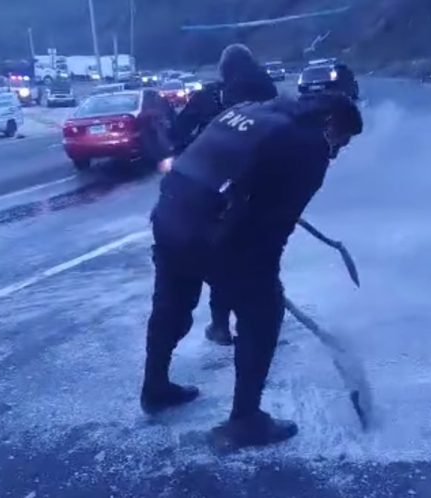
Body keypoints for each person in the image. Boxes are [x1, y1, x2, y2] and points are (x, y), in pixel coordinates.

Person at [140, 90, 364, 450]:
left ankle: (155, 389)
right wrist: (263, 277)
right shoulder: (309, 146)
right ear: (331, 123)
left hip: (170, 214)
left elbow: (226, 166)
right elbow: (276, 225)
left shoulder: (246, 110)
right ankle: (245, 421)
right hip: (209, 226)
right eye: (342, 140)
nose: (337, 150)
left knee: (171, 305)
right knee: (263, 312)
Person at [172, 43, 279, 346]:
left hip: (213, 190)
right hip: (260, 189)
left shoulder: (210, 96)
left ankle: (220, 324)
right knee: (264, 257)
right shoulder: (268, 91)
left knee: (223, 258)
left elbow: (178, 132)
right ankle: (261, 321)